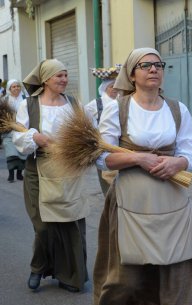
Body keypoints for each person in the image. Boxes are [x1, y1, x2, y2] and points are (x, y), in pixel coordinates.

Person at [93, 47, 192, 305]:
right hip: (132, 199)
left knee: (182, 271)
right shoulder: (118, 108)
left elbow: (191, 151)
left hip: (172, 198)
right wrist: (138, 158)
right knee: (127, 272)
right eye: (146, 65)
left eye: (158, 64)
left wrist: (178, 162)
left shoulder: (177, 108)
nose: (154, 70)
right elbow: (102, 157)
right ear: (132, 74)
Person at [12, 59, 89, 292]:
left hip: (69, 170)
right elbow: (18, 139)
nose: (64, 80)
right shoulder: (30, 105)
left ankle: (71, 276)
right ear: (45, 80)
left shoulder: (74, 104)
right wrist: (34, 137)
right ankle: (38, 267)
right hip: (38, 168)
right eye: (59, 76)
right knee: (43, 225)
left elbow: (87, 132)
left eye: (66, 75)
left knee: (70, 223)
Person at [85, 72, 120, 195]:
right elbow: (85, 119)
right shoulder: (96, 104)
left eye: (117, 86)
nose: (115, 89)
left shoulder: (124, 102)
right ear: (105, 88)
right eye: (112, 87)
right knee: (107, 183)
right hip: (104, 149)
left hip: (122, 148)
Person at [2, 79, 27, 182]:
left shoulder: (25, 99)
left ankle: (19, 174)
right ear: (9, 89)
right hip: (9, 130)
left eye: (18, 86)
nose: (16, 88)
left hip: (22, 129)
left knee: (22, 153)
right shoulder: (5, 100)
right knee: (11, 153)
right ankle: (11, 174)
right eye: (14, 86)